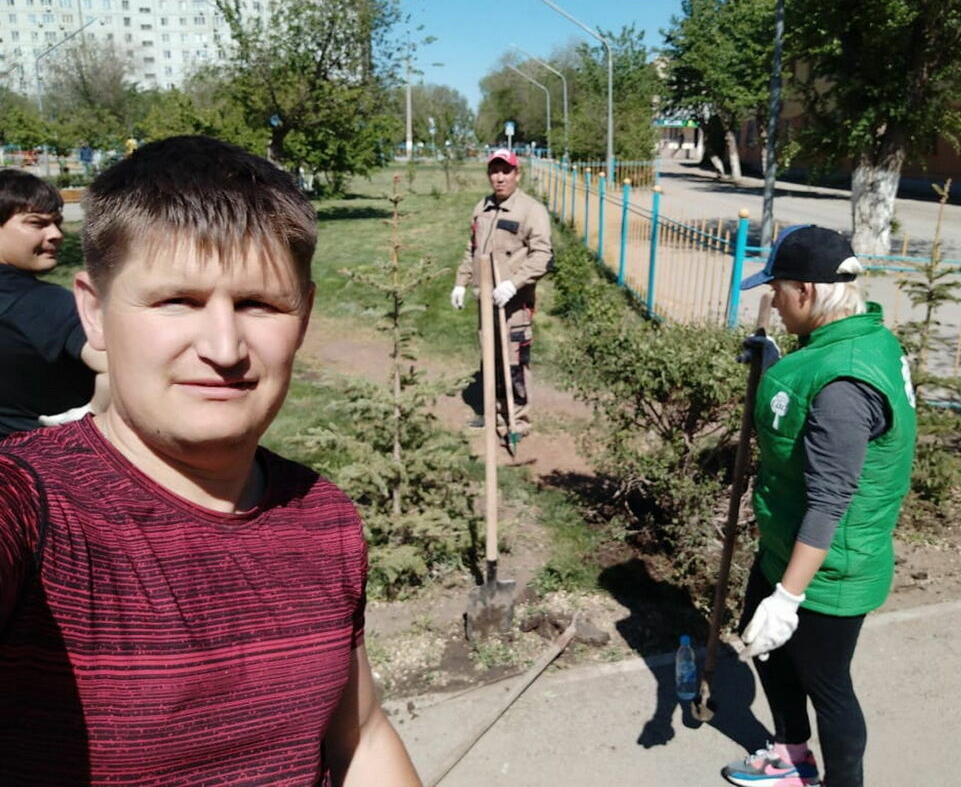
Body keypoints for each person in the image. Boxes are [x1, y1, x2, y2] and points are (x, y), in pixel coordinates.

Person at [0, 136, 421, 786]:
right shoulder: (33, 508)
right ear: (94, 313)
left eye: (259, 304)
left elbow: (360, 736)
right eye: (177, 301)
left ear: (304, 316)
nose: (225, 349)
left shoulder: (324, 518)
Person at [720, 226, 917, 787]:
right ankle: (791, 755)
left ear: (805, 291)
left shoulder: (845, 385)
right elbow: (814, 403)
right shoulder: (852, 341)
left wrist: (788, 598)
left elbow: (831, 498)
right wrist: (777, 361)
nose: (773, 302)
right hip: (789, 544)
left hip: (828, 568)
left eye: (777, 290)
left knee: (828, 687)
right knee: (764, 646)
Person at [450, 148, 552, 439]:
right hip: (486, 300)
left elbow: (543, 256)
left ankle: (517, 421)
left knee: (515, 361)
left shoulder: (531, 210)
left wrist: (514, 283)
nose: (500, 177)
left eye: (506, 171)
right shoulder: (482, 208)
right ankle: (493, 413)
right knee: (490, 357)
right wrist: (460, 282)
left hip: (515, 304)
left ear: (517, 174)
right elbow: (472, 249)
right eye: (494, 171)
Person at [0, 169, 108, 439]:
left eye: (57, 223)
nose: (56, 234)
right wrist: (91, 414)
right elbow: (124, 368)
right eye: (37, 223)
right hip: (58, 455)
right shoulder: (41, 303)